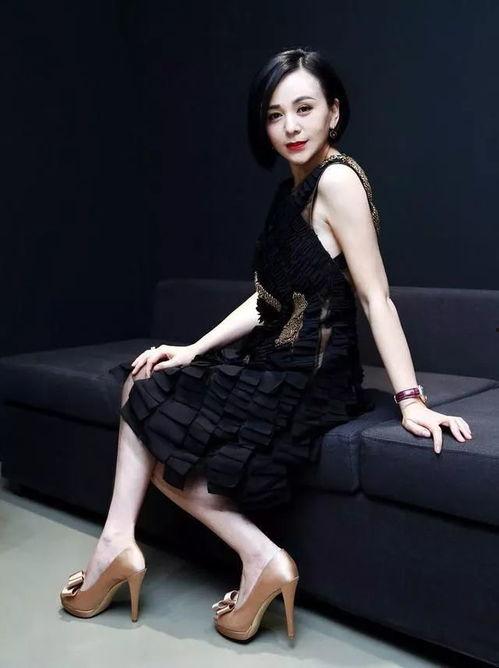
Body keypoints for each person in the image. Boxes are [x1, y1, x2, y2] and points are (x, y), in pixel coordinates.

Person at [59, 47, 473, 641]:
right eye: (276, 115)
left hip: (313, 378)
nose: (290, 127)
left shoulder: (338, 181)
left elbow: (375, 297)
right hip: (277, 358)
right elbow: (266, 301)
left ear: (334, 112)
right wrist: (193, 349)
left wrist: (411, 400)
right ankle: (128, 544)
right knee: (145, 379)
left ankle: (235, 557)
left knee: (152, 414)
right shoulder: (291, 190)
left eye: (304, 109)